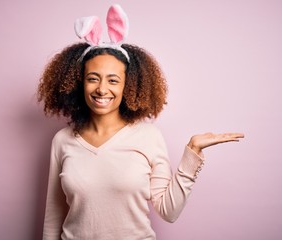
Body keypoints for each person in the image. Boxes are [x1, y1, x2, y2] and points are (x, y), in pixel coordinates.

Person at [37, 4, 244, 240]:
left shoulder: (148, 137)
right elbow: (54, 216)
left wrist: (192, 152)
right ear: (79, 83)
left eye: (113, 80)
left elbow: (169, 211)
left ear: (129, 86)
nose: (102, 89)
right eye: (92, 79)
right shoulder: (62, 140)